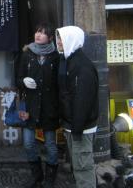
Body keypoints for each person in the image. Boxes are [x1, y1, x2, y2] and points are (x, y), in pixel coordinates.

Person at [17, 23, 60, 188]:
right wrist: (24, 82)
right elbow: (18, 78)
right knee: (28, 143)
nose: (38, 35)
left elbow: (59, 84)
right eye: (37, 31)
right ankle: (37, 175)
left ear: (50, 38)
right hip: (30, 106)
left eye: (43, 33)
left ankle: (50, 178)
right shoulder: (27, 54)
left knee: (50, 144)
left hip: (49, 107)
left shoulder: (56, 57)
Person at [56, 26, 99, 188]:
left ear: (71, 40)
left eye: (61, 38)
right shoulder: (67, 60)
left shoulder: (82, 66)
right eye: (58, 38)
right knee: (78, 166)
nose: (58, 42)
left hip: (80, 127)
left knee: (83, 168)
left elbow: (83, 101)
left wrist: (77, 128)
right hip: (72, 125)